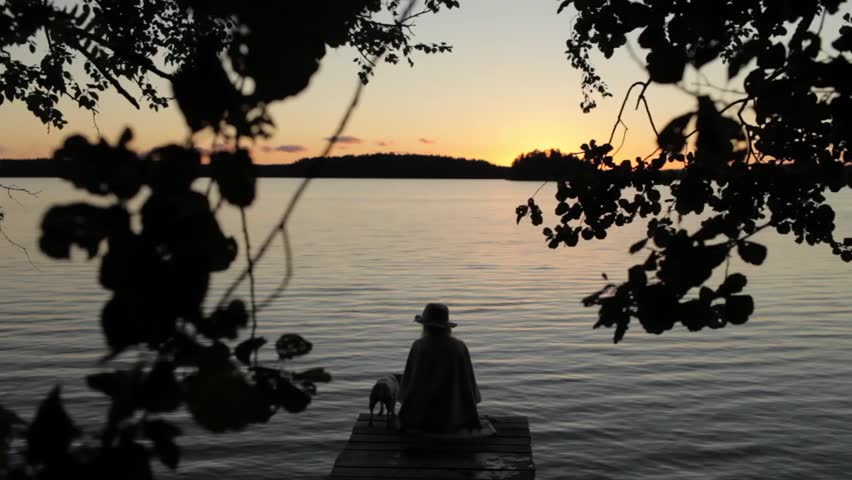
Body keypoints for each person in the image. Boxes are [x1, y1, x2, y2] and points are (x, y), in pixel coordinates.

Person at [398, 303, 485, 434]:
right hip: (455, 419)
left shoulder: (419, 346)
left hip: (421, 420)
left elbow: (409, 384)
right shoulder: (459, 346)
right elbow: (468, 383)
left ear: (425, 325)